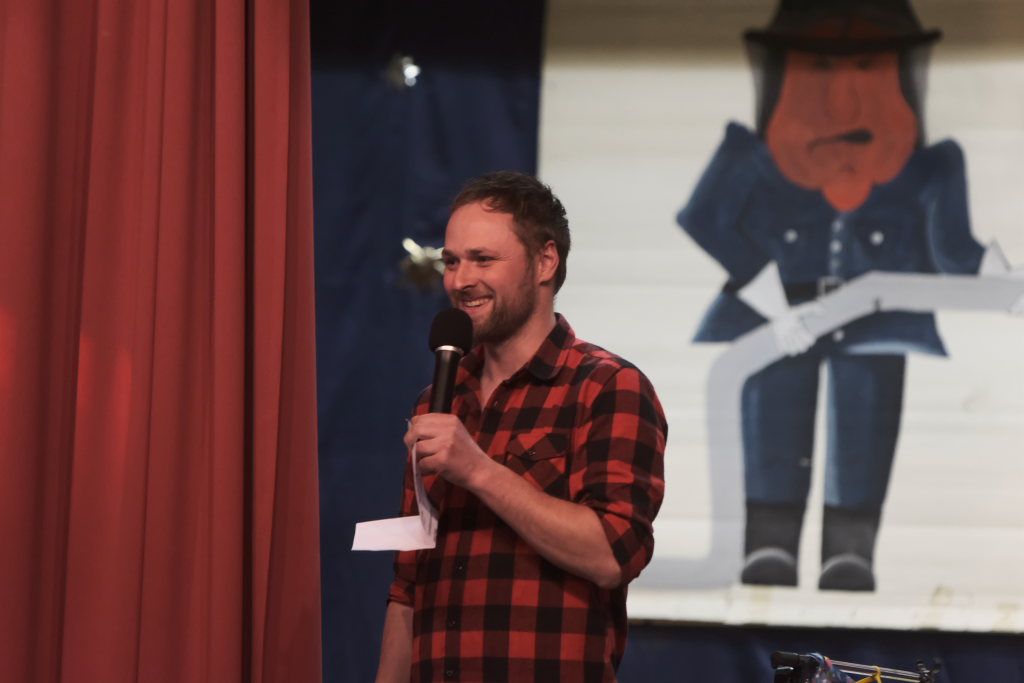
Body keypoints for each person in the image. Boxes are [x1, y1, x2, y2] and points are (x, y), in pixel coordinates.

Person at [677, 0, 1015, 590]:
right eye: (821, 69)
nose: (842, 101)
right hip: (778, 319)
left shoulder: (930, 168)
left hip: (877, 321)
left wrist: (1004, 283)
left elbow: (954, 250)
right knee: (773, 424)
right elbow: (705, 218)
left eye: (865, 68)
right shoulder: (750, 158)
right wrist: (776, 309)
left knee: (867, 426)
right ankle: (769, 545)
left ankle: (850, 552)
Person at [376, 171, 667, 682]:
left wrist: (479, 471)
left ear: (545, 262)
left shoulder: (607, 387)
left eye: (483, 259)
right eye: (452, 261)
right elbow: (408, 585)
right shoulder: (440, 400)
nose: (460, 280)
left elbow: (613, 553)